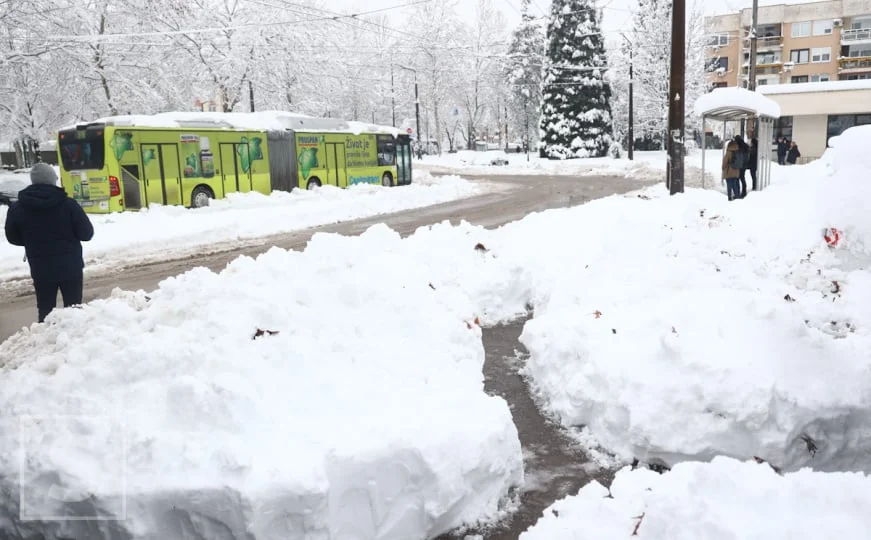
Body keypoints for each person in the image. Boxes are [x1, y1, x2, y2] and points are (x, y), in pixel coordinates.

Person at [4, 163, 94, 322]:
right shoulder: (68, 205)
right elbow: (87, 234)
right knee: (74, 309)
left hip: (40, 268)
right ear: (52, 180)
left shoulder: (18, 208)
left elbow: (12, 237)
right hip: (70, 267)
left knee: (45, 309)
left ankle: (46, 336)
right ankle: (74, 336)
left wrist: (31, 241)